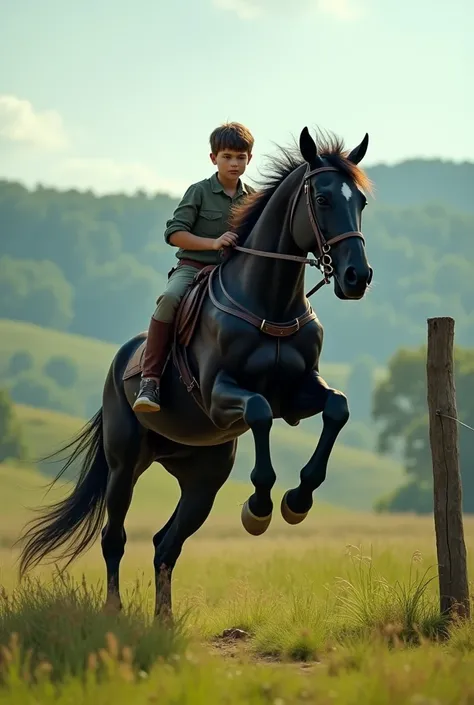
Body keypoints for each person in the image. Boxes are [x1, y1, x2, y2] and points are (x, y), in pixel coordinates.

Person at [133, 121, 256, 413]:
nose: (234, 163)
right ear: (213, 158)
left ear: (249, 159)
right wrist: (213, 243)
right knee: (169, 300)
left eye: (241, 157)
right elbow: (174, 233)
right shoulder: (198, 191)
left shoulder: (254, 198)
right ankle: (150, 381)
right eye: (227, 157)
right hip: (194, 268)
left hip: (235, 276)